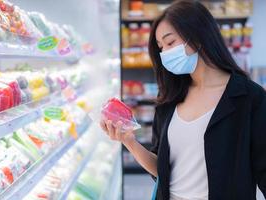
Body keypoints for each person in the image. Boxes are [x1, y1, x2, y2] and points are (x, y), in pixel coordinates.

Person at [100, 0, 266, 199]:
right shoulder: (170, 100)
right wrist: (130, 142)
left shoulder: (248, 98)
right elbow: (162, 172)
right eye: (160, 47)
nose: (165, 53)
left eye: (170, 42)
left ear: (198, 36)